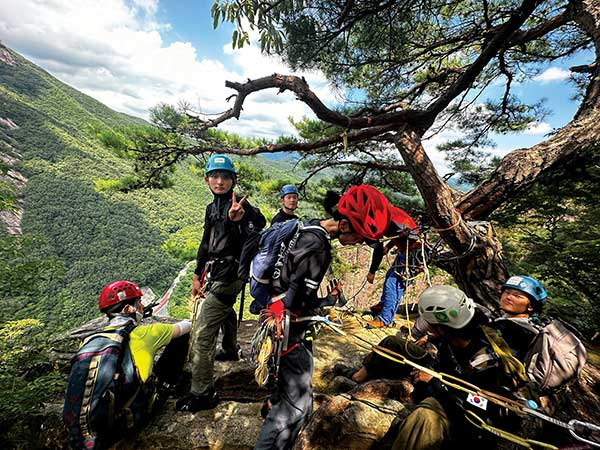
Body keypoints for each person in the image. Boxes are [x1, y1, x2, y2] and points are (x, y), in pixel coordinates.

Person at [255, 184, 392, 450]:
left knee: (295, 399)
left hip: (275, 319)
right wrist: (327, 302)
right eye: (360, 237)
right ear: (344, 226)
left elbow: (291, 283)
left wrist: (325, 300)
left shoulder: (307, 226)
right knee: (295, 407)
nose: (359, 244)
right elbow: (297, 298)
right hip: (288, 330)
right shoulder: (319, 247)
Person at [391, 285, 533, 450]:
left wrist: (435, 382)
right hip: (455, 401)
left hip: (476, 424)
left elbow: (483, 404)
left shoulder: (486, 360)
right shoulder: (454, 339)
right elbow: (447, 367)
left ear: (439, 327)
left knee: (425, 416)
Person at [177, 154, 266, 412]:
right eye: (214, 176)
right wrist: (197, 274)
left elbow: (255, 230)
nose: (219, 181)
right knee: (224, 309)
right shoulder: (211, 208)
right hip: (216, 272)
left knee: (203, 335)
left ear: (233, 180)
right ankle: (229, 349)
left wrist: (238, 222)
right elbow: (206, 242)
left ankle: (202, 393)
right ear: (207, 179)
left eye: (225, 176)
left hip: (231, 275)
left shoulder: (242, 208)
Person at [63, 280, 191, 449]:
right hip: (125, 422)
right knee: (180, 337)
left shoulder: (89, 340)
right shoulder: (145, 334)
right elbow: (187, 325)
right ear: (128, 310)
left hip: (83, 428)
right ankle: (169, 385)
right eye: (138, 303)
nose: (142, 306)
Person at [363, 203, 418, 328]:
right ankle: (384, 306)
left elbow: (411, 234)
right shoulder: (391, 215)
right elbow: (397, 234)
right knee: (391, 277)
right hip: (408, 251)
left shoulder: (389, 218)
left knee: (394, 284)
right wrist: (388, 246)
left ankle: (385, 319)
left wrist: (372, 271)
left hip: (413, 253)